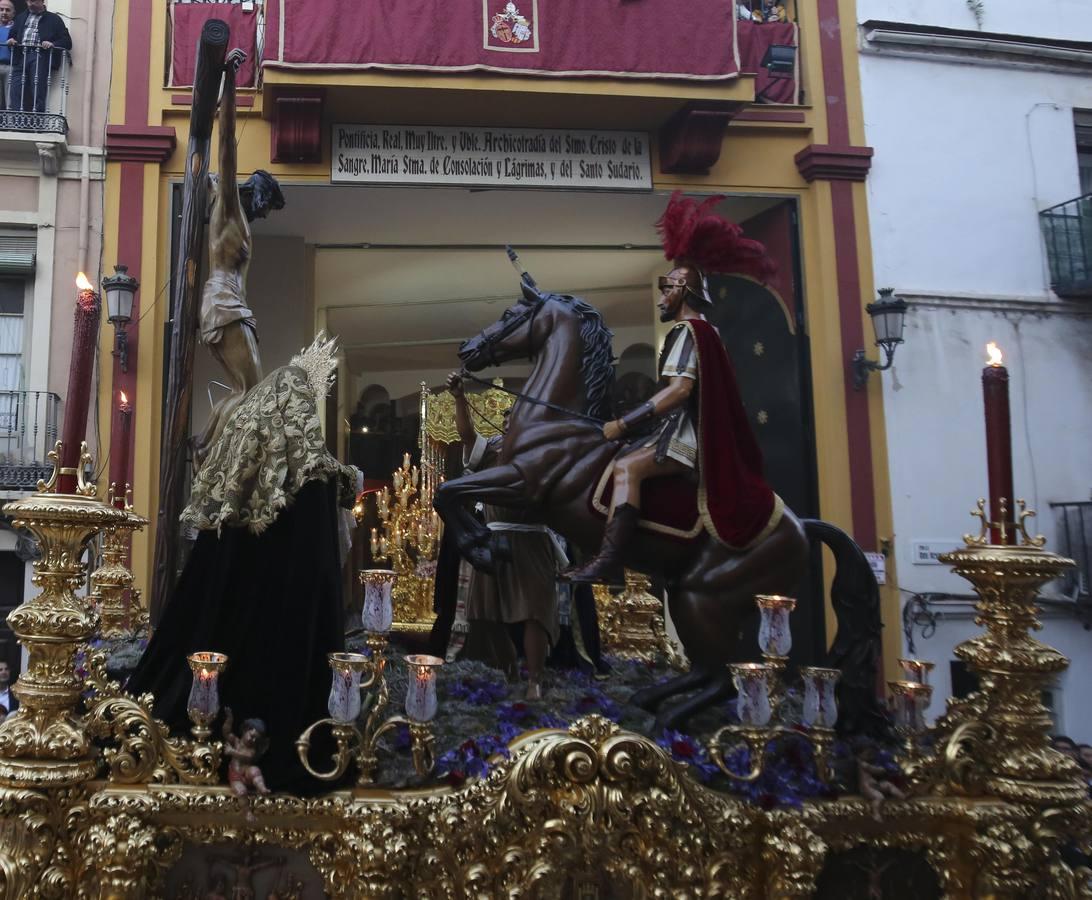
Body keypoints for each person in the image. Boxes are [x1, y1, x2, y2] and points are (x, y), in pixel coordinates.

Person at [563, 193, 780, 585]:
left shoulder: (686, 331)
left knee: (627, 465)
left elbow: (679, 391)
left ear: (683, 289)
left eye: (668, 287)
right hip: (683, 432)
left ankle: (610, 561)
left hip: (685, 438)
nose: (663, 294)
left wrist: (624, 423)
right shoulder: (707, 332)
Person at [446, 370, 563, 699]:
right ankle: (511, 668)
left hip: (532, 539)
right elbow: (467, 435)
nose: (509, 422)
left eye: (516, 417)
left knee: (535, 611)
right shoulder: (494, 447)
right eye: (508, 418)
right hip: (495, 539)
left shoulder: (543, 450)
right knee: (487, 612)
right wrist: (459, 397)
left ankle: (535, 679)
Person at [194, 48, 284, 466]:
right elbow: (227, 143)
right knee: (254, 393)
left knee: (244, 392)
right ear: (257, 194)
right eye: (268, 203)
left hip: (229, 306)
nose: (265, 213)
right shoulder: (229, 207)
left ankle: (206, 448)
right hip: (225, 305)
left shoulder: (235, 219)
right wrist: (230, 78)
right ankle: (212, 459)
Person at [5, 0, 71, 114]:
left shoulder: (54, 19)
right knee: (16, 89)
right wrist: (11, 40)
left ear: (42, 1)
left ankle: (37, 121)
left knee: (38, 90)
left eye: (34, 1)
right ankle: (17, 122)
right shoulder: (21, 18)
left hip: (40, 56)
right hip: (20, 57)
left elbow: (67, 41)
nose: (30, 4)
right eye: (28, 1)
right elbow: (12, 35)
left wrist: (53, 44)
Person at [0, 0, 15, 112]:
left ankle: (9, 126)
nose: (4, 12)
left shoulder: (17, 28)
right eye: (1, 9)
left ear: (13, 14)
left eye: (7, 10)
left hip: (11, 66)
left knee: (10, 100)